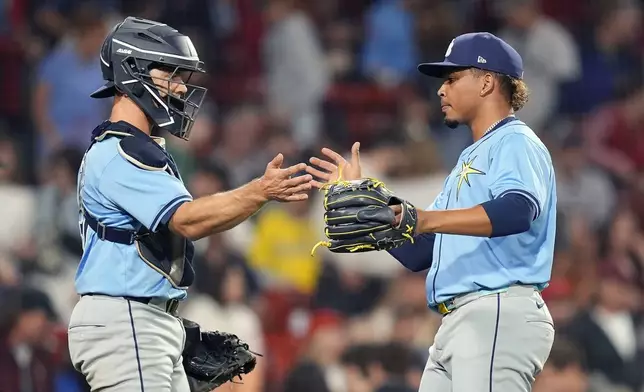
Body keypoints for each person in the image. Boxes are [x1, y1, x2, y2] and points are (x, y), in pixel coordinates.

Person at [68, 16, 312, 392]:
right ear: (134, 72)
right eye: (172, 75)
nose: (181, 89)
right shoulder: (121, 152)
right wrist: (260, 191)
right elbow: (187, 220)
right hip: (127, 317)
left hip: (145, 318)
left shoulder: (136, 149)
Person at [306, 32, 556, 391]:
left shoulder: (515, 140)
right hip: (460, 320)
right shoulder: (468, 160)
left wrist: (422, 217)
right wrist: (373, 209)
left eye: (453, 79)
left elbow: (519, 210)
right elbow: (422, 251)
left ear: (487, 82)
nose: (441, 90)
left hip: (496, 311)